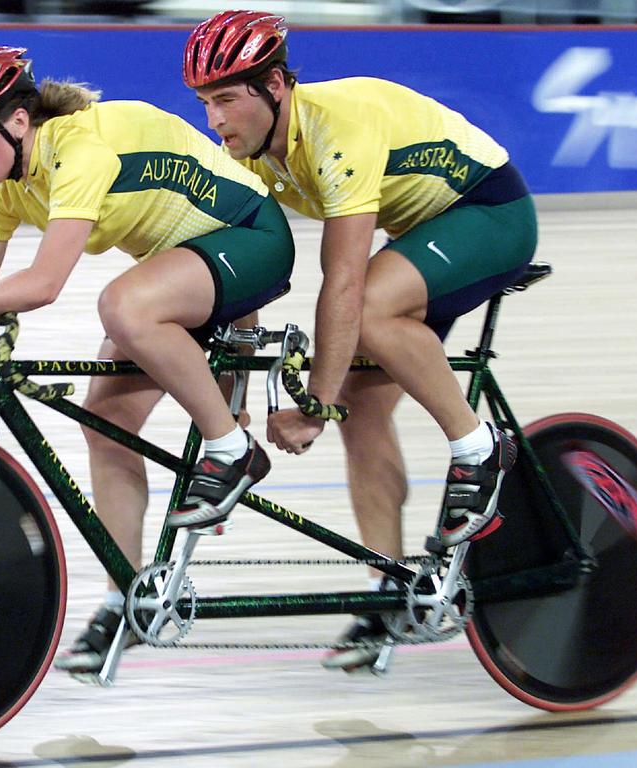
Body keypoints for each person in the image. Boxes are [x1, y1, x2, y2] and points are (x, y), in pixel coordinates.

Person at [0, 46, 295, 674]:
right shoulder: (2, 185)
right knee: (106, 429)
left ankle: (232, 451)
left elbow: (42, 285)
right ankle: (128, 599)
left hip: (250, 239)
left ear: (17, 121)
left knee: (122, 305)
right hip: (181, 269)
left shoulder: (78, 148)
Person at [183, 11, 537, 671]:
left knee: (367, 312)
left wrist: (316, 402)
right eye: (205, 102)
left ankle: (480, 447)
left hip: (488, 213)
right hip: (423, 238)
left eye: (226, 98)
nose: (214, 120)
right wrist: (231, 407)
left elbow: (341, 283)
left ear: (275, 87)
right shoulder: (256, 157)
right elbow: (245, 282)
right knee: (363, 410)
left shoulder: (334, 128)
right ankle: (390, 589)